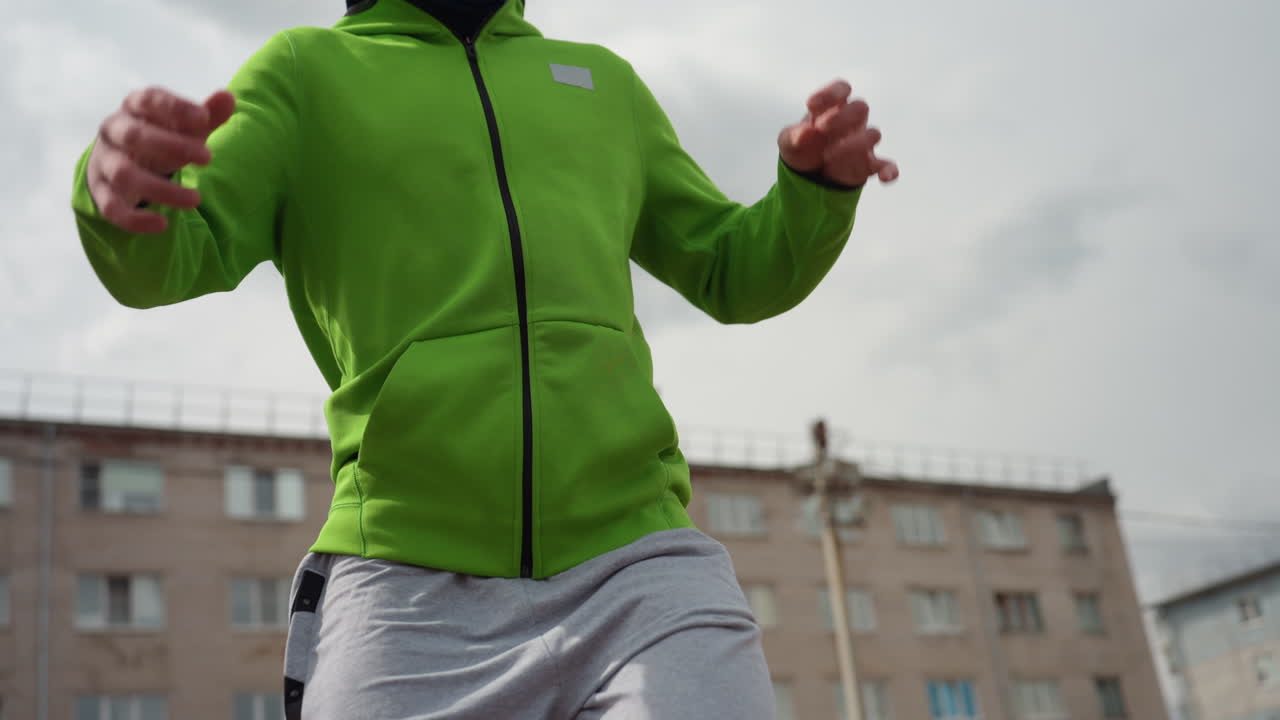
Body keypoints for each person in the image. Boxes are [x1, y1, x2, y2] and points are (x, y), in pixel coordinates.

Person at [71, 0, 898, 717]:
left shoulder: (602, 82)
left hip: (638, 566)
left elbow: (730, 268)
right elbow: (174, 256)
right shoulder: (302, 73)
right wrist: (124, 189)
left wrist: (813, 193)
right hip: (408, 583)